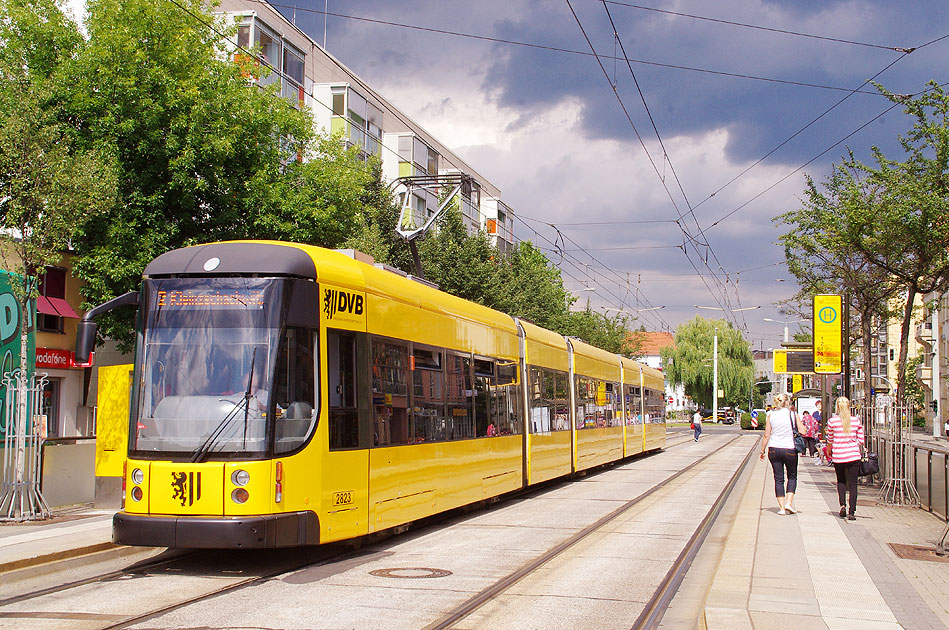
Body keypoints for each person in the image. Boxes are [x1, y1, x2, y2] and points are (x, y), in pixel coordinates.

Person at [759, 392, 807, 515]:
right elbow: (803, 431)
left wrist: (762, 450)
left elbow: (766, 435)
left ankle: (781, 508)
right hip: (789, 448)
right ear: (787, 402)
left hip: (774, 448)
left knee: (778, 478)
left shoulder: (771, 415)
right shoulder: (792, 414)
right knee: (792, 476)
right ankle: (789, 504)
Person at [826, 396, 865, 520]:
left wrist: (830, 448)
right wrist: (853, 442)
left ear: (837, 407)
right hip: (853, 455)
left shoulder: (832, 421)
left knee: (841, 481)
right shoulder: (855, 421)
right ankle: (852, 511)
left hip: (839, 455)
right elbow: (861, 440)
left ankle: (842, 505)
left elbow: (830, 439)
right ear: (849, 406)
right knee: (853, 484)